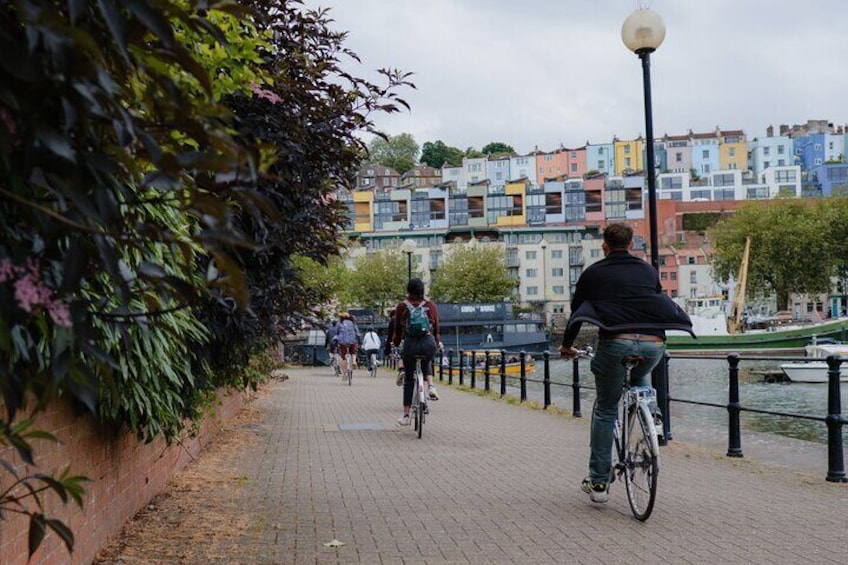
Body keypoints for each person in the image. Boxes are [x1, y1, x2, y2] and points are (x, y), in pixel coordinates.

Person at [558, 222, 693, 504]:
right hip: (652, 343)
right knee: (642, 373)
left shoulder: (593, 273)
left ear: (604, 245)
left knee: (607, 408)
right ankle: (652, 415)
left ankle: (598, 483)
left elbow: (577, 313)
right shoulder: (647, 270)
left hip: (616, 341)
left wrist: (567, 346)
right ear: (632, 244)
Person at [392, 278, 441, 426]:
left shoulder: (402, 306)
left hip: (411, 344)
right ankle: (431, 386)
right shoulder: (431, 306)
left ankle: (406, 415)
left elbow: (397, 331)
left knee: (409, 379)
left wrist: (395, 343)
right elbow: (437, 329)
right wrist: (436, 344)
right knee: (426, 361)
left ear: (408, 290)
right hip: (427, 343)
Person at [336, 312, 361, 380]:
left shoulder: (339, 323)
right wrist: (359, 341)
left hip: (343, 342)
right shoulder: (353, 323)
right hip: (352, 341)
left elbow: (336, 333)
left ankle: (344, 374)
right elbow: (357, 333)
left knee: (343, 358)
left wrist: (336, 341)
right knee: (353, 352)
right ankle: (353, 361)